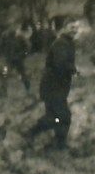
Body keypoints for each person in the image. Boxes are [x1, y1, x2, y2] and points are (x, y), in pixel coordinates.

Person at [28, 21, 78, 149]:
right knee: (63, 116)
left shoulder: (66, 43)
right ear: (62, 28)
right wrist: (75, 70)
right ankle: (58, 143)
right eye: (72, 27)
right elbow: (60, 64)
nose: (75, 30)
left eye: (76, 28)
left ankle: (33, 134)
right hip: (53, 87)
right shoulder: (61, 43)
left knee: (54, 117)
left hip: (56, 87)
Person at [0, 22, 33, 95]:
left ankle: (28, 90)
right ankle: (3, 91)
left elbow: (28, 47)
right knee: (5, 74)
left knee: (23, 75)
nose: (12, 28)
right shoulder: (5, 36)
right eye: (11, 27)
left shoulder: (20, 37)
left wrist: (23, 55)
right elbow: (1, 46)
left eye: (14, 27)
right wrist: (5, 54)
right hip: (9, 59)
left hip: (19, 60)